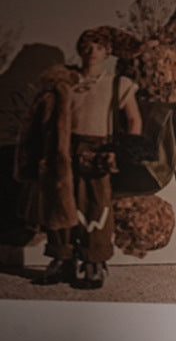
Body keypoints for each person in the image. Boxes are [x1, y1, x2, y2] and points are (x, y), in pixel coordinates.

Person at [16, 27, 141, 289]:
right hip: (62, 149)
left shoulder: (117, 84)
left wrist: (120, 152)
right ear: (80, 50)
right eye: (87, 46)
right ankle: (61, 259)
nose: (92, 52)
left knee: (95, 206)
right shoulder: (64, 83)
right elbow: (43, 118)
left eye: (99, 47)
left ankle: (94, 262)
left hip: (97, 151)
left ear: (107, 52)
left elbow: (133, 121)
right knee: (60, 203)